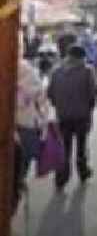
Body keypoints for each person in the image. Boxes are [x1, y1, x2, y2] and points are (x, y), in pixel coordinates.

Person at [47, 45, 97, 190]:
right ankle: (83, 171)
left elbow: (50, 93)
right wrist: (90, 107)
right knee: (82, 146)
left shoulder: (56, 71)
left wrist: (58, 105)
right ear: (82, 57)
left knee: (64, 147)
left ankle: (61, 178)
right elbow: (93, 92)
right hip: (82, 115)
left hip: (63, 115)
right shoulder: (88, 71)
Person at [15, 60, 49, 188]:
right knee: (26, 155)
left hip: (22, 123)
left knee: (23, 154)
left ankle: (18, 178)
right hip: (28, 124)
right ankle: (20, 178)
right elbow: (42, 102)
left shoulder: (25, 84)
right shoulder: (34, 81)